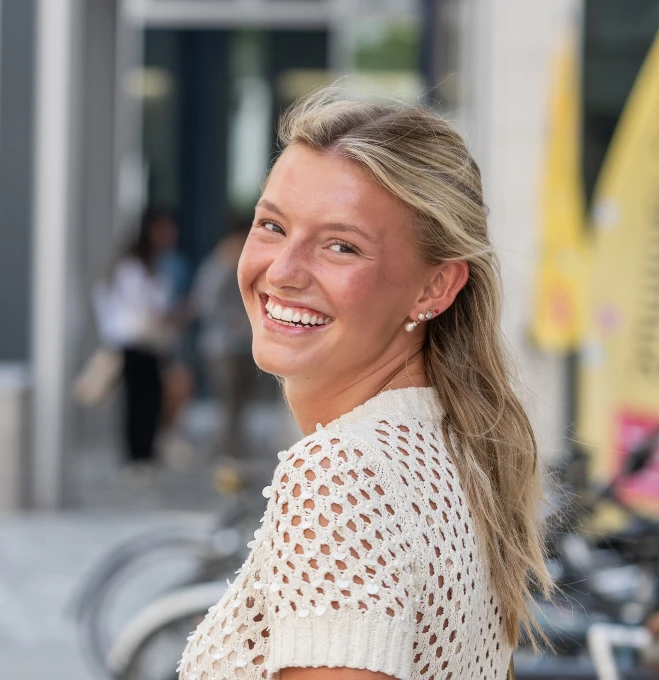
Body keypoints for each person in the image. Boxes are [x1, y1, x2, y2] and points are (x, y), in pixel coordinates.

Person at [179, 89, 552, 680]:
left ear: (434, 288)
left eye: (341, 246)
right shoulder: (450, 447)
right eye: (272, 225)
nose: (282, 270)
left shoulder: (341, 476)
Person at [93, 208, 178, 476]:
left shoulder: (154, 263)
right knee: (137, 401)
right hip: (133, 342)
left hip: (151, 343)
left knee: (151, 399)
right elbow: (138, 306)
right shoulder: (132, 265)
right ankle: (136, 455)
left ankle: (146, 453)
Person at [192, 219, 254, 461]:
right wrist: (237, 321)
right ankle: (227, 450)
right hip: (220, 346)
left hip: (241, 345)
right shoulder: (216, 267)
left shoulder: (238, 266)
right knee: (228, 401)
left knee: (240, 400)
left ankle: (236, 447)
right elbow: (206, 305)